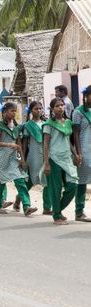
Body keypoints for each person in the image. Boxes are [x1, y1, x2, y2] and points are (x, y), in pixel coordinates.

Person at [0, 102, 37, 216]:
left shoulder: (17, 128)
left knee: (20, 180)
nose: (14, 113)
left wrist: (22, 159)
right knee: (1, 182)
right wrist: (9, 145)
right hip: (2, 156)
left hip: (13, 157)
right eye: (12, 110)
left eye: (15, 111)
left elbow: (19, 144)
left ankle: (26, 206)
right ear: (5, 112)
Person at [40, 98, 80, 225]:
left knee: (72, 186)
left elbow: (69, 142)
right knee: (55, 188)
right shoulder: (48, 124)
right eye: (57, 106)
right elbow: (45, 144)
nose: (61, 107)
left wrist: (76, 155)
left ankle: (57, 210)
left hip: (67, 158)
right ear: (52, 109)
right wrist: (46, 162)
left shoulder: (68, 122)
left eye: (62, 105)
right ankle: (57, 216)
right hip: (54, 159)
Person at [19, 101, 52, 215]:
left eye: (40, 109)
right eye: (36, 109)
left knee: (47, 180)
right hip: (33, 154)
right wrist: (22, 159)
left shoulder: (46, 123)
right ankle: (19, 200)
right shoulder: (27, 125)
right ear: (31, 111)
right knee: (31, 180)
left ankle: (47, 208)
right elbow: (24, 143)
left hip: (45, 153)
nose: (38, 111)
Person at [73, 86, 91, 222]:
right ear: (86, 96)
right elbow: (76, 134)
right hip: (84, 149)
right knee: (82, 181)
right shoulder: (78, 112)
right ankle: (79, 212)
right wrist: (78, 153)